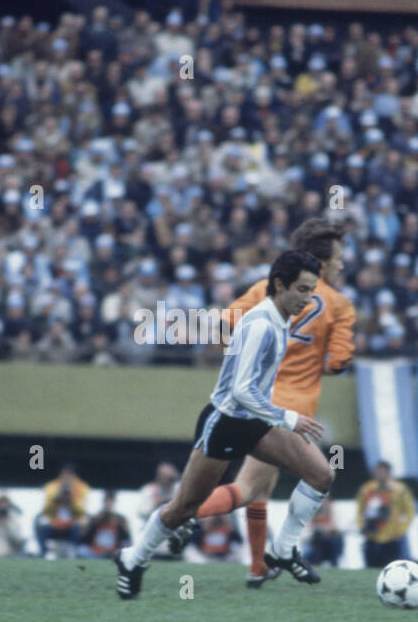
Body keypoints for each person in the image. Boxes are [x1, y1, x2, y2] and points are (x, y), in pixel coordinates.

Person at [114, 250, 332, 599]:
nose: (308, 299)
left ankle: (283, 550)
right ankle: (132, 558)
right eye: (303, 290)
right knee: (183, 507)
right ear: (279, 285)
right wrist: (289, 417)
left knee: (321, 474)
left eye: (311, 291)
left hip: (257, 420)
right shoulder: (262, 324)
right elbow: (240, 390)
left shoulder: (281, 317)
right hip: (226, 422)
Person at [168, 219, 355, 589]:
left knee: (259, 490)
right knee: (251, 488)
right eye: (338, 259)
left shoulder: (265, 289)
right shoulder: (340, 307)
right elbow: (338, 363)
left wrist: (239, 364)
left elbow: (222, 326)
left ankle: (257, 566)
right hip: (287, 411)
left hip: (251, 399)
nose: (342, 265)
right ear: (322, 262)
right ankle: (186, 517)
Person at [355, 461, 416, 569]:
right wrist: (361, 527)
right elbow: (360, 511)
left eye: (384, 472)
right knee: (370, 568)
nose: (381, 474)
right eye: (379, 471)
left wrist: (401, 530)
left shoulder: (400, 490)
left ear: (389, 473)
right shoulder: (367, 489)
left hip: (392, 536)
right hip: (372, 535)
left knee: (392, 569)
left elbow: (410, 512)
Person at [36, 462, 90, 558]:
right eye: (64, 474)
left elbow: (82, 511)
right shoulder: (51, 486)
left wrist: (71, 500)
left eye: (69, 475)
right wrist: (57, 498)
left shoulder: (82, 487)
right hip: (55, 524)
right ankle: (42, 553)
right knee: (40, 525)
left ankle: (76, 554)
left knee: (79, 527)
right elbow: (45, 510)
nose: (66, 478)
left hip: (73, 525)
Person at [80, 490, 130, 559]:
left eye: (110, 501)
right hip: (95, 551)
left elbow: (127, 538)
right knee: (82, 550)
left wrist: (119, 525)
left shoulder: (121, 519)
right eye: (107, 501)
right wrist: (95, 522)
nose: (108, 504)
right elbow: (83, 536)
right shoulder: (96, 517)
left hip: (113, 551)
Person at [303, 497, 344, 567]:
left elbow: (339, 528)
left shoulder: (333, 511)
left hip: (331, 542)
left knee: (336, 540)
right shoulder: (310, 511)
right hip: (314, 543)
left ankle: (334, 564)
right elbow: (306, 534)